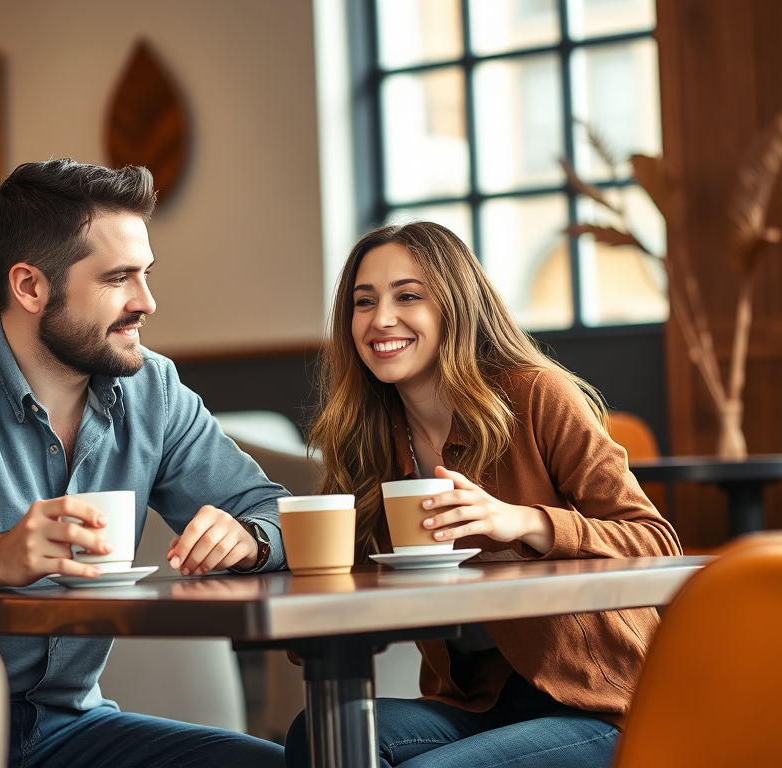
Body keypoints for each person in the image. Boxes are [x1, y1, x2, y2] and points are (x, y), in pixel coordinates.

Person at [0, 159, 287, 768]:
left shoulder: (155, 391)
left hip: (67, 728)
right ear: (31, 287)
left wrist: (250, 538)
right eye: (119, 277)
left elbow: (269, 506)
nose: (147, 301)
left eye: (145, 275)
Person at [284, 221, 682, 768]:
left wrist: (524, 523)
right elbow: (344, 579)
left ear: (456, 306)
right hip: (479, 702)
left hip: (601, 705)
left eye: (408, 297)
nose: (380, 320)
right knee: (322, 733)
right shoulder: (369, 437)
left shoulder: (536, 394)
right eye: (363, 301)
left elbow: (657, 543)